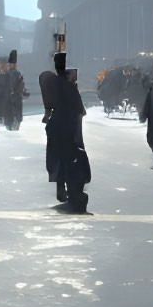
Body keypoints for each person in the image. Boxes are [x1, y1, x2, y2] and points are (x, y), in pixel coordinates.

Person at [40, 52, 89, 212]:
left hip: (56, 126)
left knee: (59, 157)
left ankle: (61, 188)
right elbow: (78, 112)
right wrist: (78, 135)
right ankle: (71, 191)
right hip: (68, 126)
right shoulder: (69, 88)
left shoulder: (53, 84)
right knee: (70, 158)